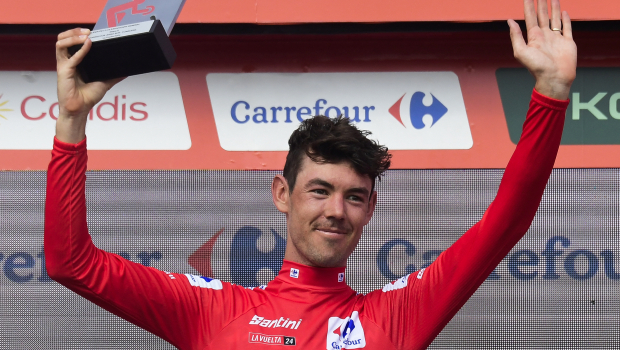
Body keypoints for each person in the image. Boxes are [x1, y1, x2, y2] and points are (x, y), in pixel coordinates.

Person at [45, 0, 577, 348]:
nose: (335, 211)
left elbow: (505, 222)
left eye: (354, 197)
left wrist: (550, 94)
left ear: (370, 209)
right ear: (282, 193)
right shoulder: (210, 310)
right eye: (319, 190)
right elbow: (72, 263)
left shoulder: (396, 316)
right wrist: (72, 118)